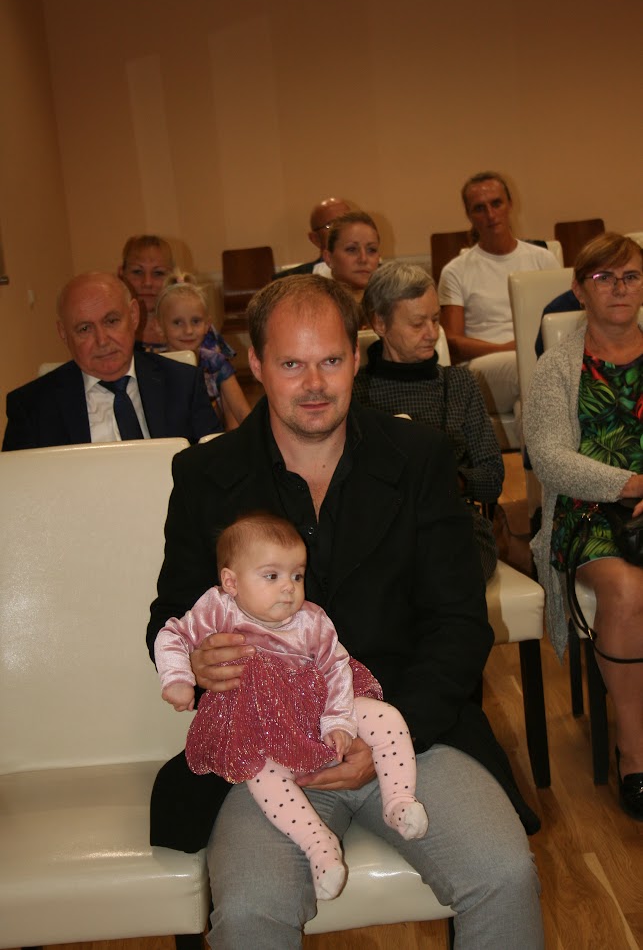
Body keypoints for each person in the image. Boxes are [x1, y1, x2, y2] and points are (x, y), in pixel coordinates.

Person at [146, 272, 543, 949]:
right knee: (250, 912)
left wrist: (387, 735)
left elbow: (458, 624)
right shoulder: (205, 476)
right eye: (291, 364)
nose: (314, 384)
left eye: (330, 360)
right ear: (256, 364)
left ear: (356, 358)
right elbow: (171, 615)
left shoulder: (419, 457)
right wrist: (197, 662)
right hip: (267, 745)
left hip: (411, 726)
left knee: (504, 876)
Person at [155, 511, 428, 900]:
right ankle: (319, 846)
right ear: (231, 582)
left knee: (387, 718)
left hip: (319, 706)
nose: (289, 588)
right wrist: (179, 678)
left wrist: (338, 721)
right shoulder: (218, 609)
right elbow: (172, 634)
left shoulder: (311, 620)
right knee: (261, 773)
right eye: (272, 576)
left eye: (297, 576)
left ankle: (398, 800)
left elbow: (336, 668)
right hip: (261, 724)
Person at [524, 232, 643, 820]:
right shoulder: (557, 367)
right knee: (626, 589)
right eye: (604, 278)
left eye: (631, 276)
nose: (619, 288)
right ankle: (635, 752)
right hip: (587, 512)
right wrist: (633, 485)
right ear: (579, 289)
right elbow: (549, 459)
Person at [354, 261, 503, 580]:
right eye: (417, 324)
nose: (432, 334)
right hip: (379, 527)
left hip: (454, 525)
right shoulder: (355, 391)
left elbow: (492, 477)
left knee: (439, 572)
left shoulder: (460, 384)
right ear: (380, 323)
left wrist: (452, 479)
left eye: (435, 320)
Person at [2, 272, 220, 451]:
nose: (102, 340)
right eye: (84, 329)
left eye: (111, 321)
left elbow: (216, 466)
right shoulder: (31, 407)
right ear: (63, 334)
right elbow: (18, 486)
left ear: (133, 316)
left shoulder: (183, 383)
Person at [438, 171, 560, 417]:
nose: (491, 215)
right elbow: (452, 340)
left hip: (535, 360)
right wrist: (506, 348)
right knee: (529, 368)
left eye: (496, 204)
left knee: (526, 408)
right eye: (479, 208)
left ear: (510, 204)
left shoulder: (543, 259)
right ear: (469, 215)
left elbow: (561, 319)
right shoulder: (456, 271)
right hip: (484, 367)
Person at [155, 279, 251, 430]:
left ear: (207, 325)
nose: (188, 330)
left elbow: (243, 414)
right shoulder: (154, 368)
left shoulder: (216, 363)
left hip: (214, 440)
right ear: (159, 327)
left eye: (196, 321)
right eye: (177, 322)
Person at [322, 211, 381, 322]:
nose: (363, 259)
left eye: (371, 250)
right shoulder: (316, 308)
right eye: (351, 249)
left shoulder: (393, 306)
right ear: (328, 258)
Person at [118, 234, 175, 349]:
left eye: (158, 273)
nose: (147, 283)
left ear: (172, 277)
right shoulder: (108, 331)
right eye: (137, 272)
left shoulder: (192, 326)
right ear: (121, 274)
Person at [273, 197, 351, 278]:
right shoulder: (290, 279)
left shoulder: (360, 274)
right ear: (315, 239)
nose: (343, 229)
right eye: (331, 225)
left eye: (347, 222)